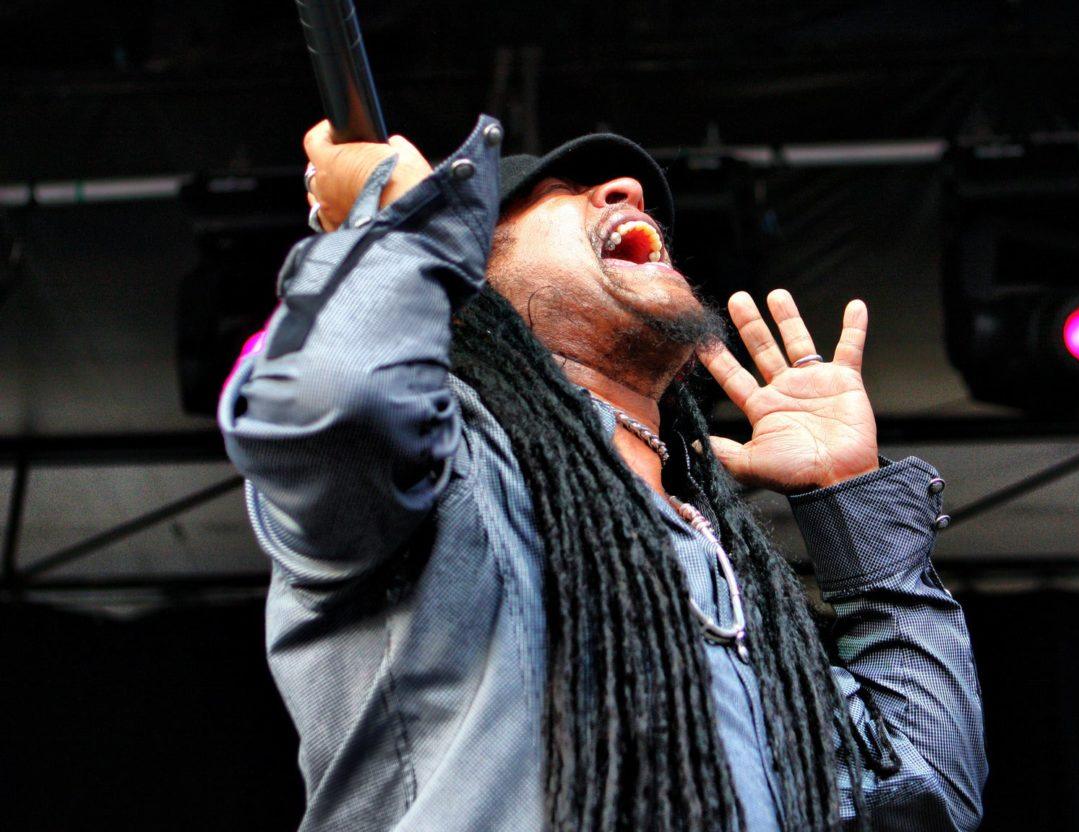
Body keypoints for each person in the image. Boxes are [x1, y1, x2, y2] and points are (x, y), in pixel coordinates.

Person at [218, 115, 986, 832]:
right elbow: (328, 401)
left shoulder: (736, 582)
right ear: (470, 286)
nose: (628, 190)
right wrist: (403, 235)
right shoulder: (440, 471)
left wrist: (848, 501)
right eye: (556, 190)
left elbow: (930, 796)